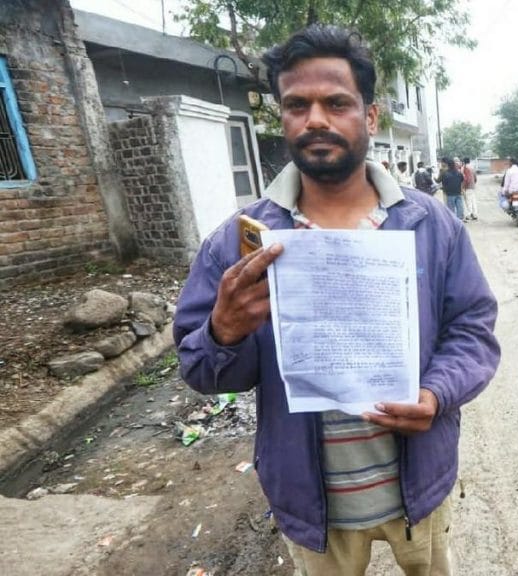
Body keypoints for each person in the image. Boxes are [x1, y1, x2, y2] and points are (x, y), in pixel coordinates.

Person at [172, 24, 500, 576]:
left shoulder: (431, 224)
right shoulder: (241, 240)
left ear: (369, 117)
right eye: (296, 104)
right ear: (282, 116)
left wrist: (435, 392)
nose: (315, 118)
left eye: (336, 102)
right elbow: (200, 368)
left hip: (419, 487)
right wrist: (222, 332)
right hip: (311, 505)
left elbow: (472, 328)